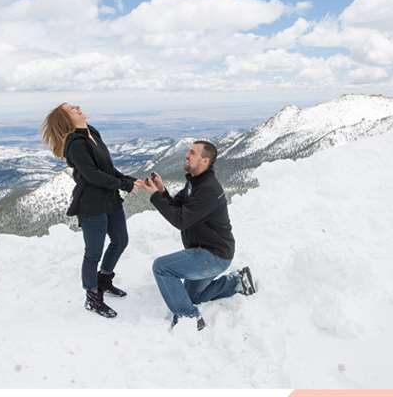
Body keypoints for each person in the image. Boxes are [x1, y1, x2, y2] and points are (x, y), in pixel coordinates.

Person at [41, 103, 143, 319]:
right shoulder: (75, 143)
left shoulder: (92, 132)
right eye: (71, 109)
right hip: (91, 204)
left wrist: (128, 180)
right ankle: (92, 296)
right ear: (66, 120)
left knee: (120, 240)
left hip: (110, 199)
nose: (78, 107)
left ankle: (104, 281)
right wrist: (124, 185)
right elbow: (93, 176)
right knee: (93, 252)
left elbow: (107, 168)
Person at [143, 140, 256, 331]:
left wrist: (154, 197)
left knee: (161, 267)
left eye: (192, 153)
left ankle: (189, 318)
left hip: (212, 256)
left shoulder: (208, 189)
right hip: (208, 252)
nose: (187, 155)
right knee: (192, 296)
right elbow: (178, 207)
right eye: (189, 151)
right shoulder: (194, 183)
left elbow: (180, 221)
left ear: (204, 161)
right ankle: (237, 281)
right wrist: (161, 191)